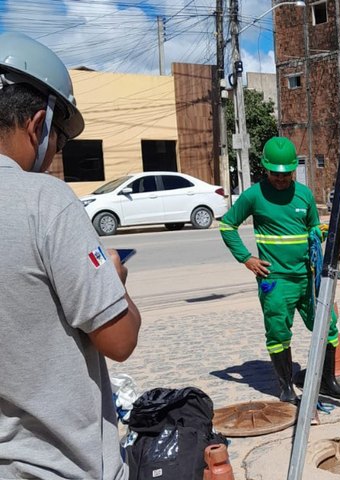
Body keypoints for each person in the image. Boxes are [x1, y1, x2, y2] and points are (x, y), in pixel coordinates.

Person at [0, 33, 142, 479]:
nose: (53, 156)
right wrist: (114, 280)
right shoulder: (44, 200)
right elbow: (119, 341)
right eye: (59, 141)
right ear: (38, 124)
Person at [219, 136, 340, 402]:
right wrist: (247, 259)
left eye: (286, 174)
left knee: (327, 326)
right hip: (276, 280)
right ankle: (286, 387)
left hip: (308, 277)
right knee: (278, 332)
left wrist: (322, 233)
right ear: (266, 169)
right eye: (275, 174)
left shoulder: (303, 194)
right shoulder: (254, 195)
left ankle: (327, 381)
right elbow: (227, 226)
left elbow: (313, 227)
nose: (281, 179)